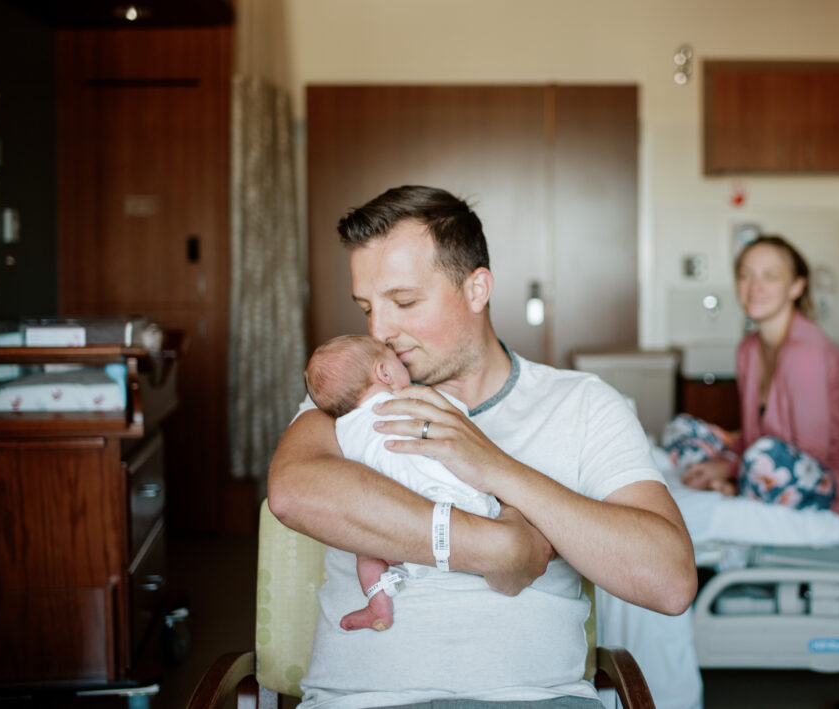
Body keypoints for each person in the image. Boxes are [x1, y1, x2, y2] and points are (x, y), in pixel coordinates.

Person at [267, 185, 696, 708]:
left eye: (403, 301)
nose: (380, 331)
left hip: (535, 699)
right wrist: (499, 548)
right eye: (366, 308)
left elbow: (670, 581)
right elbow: (294, 493)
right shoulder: (355, 398)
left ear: (477, 289)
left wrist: (493, 466)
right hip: (362, 700)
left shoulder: (582, 404)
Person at [668, 234, 839, 516]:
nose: (755, 287)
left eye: (769, 277)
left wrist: (730, 466)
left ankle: (733, 485)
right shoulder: (748, 349)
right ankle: (733, 482)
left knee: (761, 458)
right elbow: (752, 431)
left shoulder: (804, 353)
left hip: (829, 474)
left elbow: (811, 454)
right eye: (745, 276)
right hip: (772, 457)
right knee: (681, 430)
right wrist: (730, 452)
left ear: (796, 286)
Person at [304, 333, 500, 633]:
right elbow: (460, 425)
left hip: (396, 531)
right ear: (384, 373)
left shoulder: (341, 431)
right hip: (460, 509)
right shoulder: (412, 399)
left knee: (364, 549)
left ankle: (377, 601)